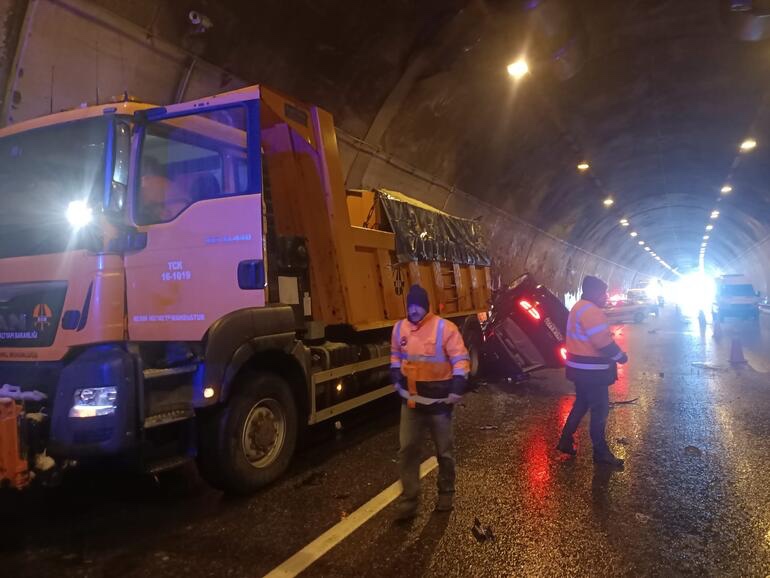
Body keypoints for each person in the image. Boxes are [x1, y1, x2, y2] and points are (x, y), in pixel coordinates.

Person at [390, 284, 470, 520]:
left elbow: (460, 359)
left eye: (417, 306)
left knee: (444, 452)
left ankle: (446, 493)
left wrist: (457, 386)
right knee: (407, 450)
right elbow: (396, 354)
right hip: (411, 404)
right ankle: (409, 500)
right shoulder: (399, 329)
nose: (413, 310)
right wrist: (395, 373)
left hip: (439, 404)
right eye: (410, 306)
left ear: (425, 306)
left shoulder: (445, 329)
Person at [557, 275, 628, 467]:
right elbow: (602, 342)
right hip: (592, 372)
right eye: (602, 292)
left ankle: (565, 440)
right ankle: (601, 453)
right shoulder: (591, 311)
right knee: (600, 410)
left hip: (579, 369)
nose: (605, 296)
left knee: (581, 404)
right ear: (593, 293)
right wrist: (621, 356)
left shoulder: (578, 307)